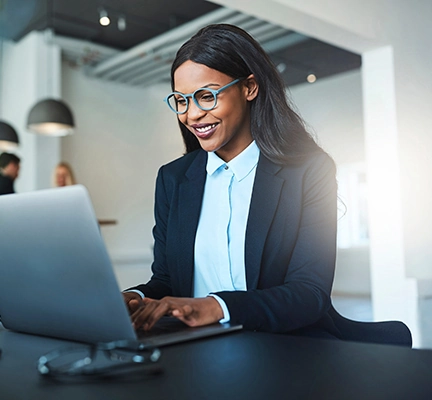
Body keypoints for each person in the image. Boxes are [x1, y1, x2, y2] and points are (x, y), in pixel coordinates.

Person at [123, 24, 339, 339]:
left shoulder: (309, 171)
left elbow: (310, 294)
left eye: (206, 96)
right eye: (182, 101)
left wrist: (217, 307)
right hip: (194, 349)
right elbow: (168, 283)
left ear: (249, 87)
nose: (192, 114)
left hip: (280, 349)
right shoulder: (173, 179)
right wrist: (136, 297)